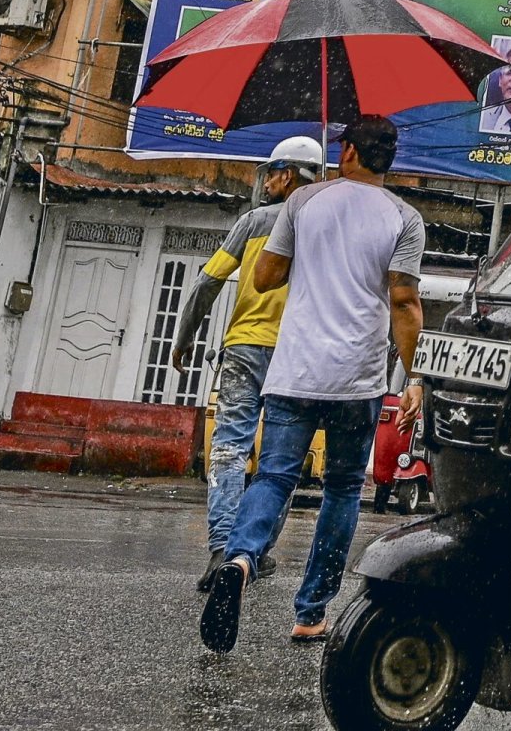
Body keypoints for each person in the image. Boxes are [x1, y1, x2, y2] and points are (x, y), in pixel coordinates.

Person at [199, 116, 427, 652]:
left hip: (294, 370)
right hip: (358, 379)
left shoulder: (302, 204)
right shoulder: (405, 217)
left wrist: (311, 246)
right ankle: (310, 612)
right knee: (343, 490)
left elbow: (265, 277)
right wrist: (415, 377)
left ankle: (239, 558)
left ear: (347, 151)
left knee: (273, 478)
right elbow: (403, 301)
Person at [174, 134, 323, 590]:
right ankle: (252, 551)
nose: (268, 182)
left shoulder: (255, 221)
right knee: (281, 461)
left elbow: (206, 283)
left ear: (288, 175)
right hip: (295, 357)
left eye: (273, 173)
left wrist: (183, 337)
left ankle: (222, 548)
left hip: (243, 349)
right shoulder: (323, 227)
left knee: (230, 450)